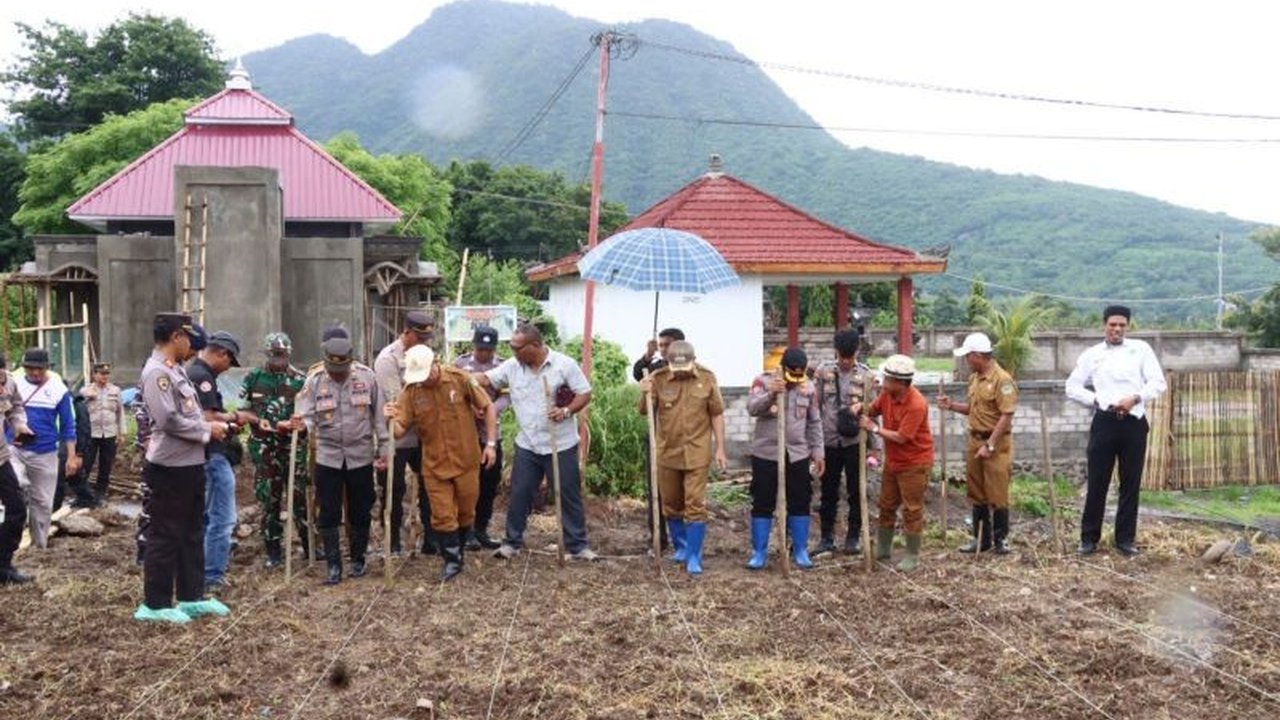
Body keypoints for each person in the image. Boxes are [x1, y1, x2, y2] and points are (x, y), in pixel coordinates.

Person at [136, 313, 230, 623]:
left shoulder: (176, 371)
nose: (191, 344)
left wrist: (214, 422)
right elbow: (169, 420)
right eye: (188, 338)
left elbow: (187, 413)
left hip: (190, 463)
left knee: (191, 532)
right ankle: (156, 603)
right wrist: (207, 431)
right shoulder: (156, 373)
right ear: (176, 337)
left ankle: (191, 596)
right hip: (169, 466)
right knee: (165, 534)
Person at [479, 323, 597, 561]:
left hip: (560, 443)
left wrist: (566, 410)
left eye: (517, 348)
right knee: (520, 493)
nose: (514, 353)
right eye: (512, 347)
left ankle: (577, 545)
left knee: (567, 494)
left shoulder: (564, 365)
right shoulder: (513, 367)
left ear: (535, 345)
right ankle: (511, 542)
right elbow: (487, 380)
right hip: (528, 444)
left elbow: (584, 393)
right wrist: (466, 378)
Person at [387, 345, 496, 580]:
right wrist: (389, 418)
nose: (424, 379)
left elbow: (487, 407)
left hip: (466, 459)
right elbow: (398, 431)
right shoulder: (411, 392)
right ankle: (451, 561)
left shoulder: (460, 379)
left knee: (466, 511)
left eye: (427, 373)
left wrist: (491, 444)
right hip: (435, 465)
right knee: (442, 514)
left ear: (435, 364)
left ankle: (461, 548)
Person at [1066, 305, 1167, 557]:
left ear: (1128, 326)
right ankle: (1089, 538)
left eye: (1122, 325)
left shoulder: (1141, 349)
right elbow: (1072, 386)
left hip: (1133, 422)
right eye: (1113, 324)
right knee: (1097, 481)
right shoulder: (1093, 354)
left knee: (1130, 483)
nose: (1117, 329)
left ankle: (1125, 539)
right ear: (1104, 325)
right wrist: (1097, 400)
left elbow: (1158, 382)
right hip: (1105, 421)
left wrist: (1135, 398)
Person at [294, 336, 388, 585]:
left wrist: (385, 448)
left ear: (350, 362)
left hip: (360, 455)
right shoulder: (314, 380)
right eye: (333, 370)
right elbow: (307, 415)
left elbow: (378, 416)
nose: (337, 375)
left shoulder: (367, 378)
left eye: (342, 370)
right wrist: (301, 424)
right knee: (328, 510)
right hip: (328, 456)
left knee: (360, 508)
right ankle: (334, 565)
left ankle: (358, 559)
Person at [638, 340, 728, 575]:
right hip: (667, 452)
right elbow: (645, 411)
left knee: (695, 505)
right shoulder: (658, 378)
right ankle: (682, 547)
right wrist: (644, 392)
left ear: (693, 361)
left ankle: (694, 556)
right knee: (672, 504)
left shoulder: (707, 378)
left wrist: (720, 448)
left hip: (697, 453)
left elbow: (717, 414)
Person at [745, 347, 824, 570]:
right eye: (792, 373)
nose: (796, 378)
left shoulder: (808, 387)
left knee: (800, 501)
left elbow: (814, 422)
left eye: (800, 373)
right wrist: (770, 393)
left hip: (797, 454)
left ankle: (799, 550)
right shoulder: (762, 381)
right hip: (766, 453)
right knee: (762, 502)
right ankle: (759, 552)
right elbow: (751, 408)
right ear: (783, 367)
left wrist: (818, 452)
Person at [939, 332, 1018, 554]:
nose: (966, 361)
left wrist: (990, 445)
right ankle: (981, 539)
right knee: (977, 492)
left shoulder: (1002, 380)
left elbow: (1006, 415)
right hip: (975, 440)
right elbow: (973, 409)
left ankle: (1001, 540)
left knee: (997, 492)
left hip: (996, 444)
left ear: (977, 356)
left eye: (968, 357)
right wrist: (951, 405)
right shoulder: (974, 379)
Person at [188, 331, 255, 593]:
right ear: (221, 353)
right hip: (212, 456)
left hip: (205, 454)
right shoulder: (201, 377)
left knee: (207, 516)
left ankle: (201, 572)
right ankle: (212, 577)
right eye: (229, 362)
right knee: (223, 518)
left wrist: (229, 423)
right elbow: (206, 417)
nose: (228, 368)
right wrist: (240, 417)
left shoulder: (199, 375)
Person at [854, 354, 934, 572]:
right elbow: (873, 409)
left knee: (912, 509)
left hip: (915, 463)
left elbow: (902, 437)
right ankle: (883, 548)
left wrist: (874, 428)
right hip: (894, 461)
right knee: (886, 504)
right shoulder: (887, 394)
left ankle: (912, 555)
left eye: (887, 378)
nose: (883, 381)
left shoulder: (916, 404)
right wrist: (861, 409)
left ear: (900, 382)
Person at [241, 332, 310, 568]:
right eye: (274, 354)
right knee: (269, 498)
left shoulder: (301, 380)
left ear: (289, 353)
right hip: (264, 448)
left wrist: (300, 424)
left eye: (282, 354)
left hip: (293, 447)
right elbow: (243, 411)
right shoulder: (253, 378)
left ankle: (310, 546)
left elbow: (311, 415)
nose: (278, 358)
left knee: (300, 496)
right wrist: (269, 424)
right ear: (267, 354)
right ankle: (273, 550)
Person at [373, 310, 434, 556]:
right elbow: (396, 402)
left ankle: (432, 539)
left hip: (422, 436)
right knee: (393, 490)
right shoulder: (388, 359)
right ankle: (393, 542)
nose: (423, 342)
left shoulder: (427, 354)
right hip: (394, 436)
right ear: (406, 332)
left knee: (431, 486)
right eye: (419, 337)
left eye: (426, 338)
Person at [10, 348, 80, 549]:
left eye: (39, 369)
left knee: (42, 502)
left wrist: (72, 456)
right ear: (24, 368)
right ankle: (11, 542)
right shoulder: (13, 384)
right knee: (16, 484)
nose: (35, 373)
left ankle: (39, 547)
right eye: (30, 369)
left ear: (47, 368)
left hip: (46, 452)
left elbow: (68, 425)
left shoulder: (59, 390)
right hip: (15, 449)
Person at [812, 329, 873, 556]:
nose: (846, 361)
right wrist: (813, 443)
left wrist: (872, 446)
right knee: (828, 491)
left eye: (850, 356)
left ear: (857, 351)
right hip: (828, 440)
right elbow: (814, 407)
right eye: (842, 356)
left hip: (855, 441)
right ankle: (826, 538)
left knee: (857, 490)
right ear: (836, 351)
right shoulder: (823, 372)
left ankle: (853, 537)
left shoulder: (867, 376)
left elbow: (873, 410)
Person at [454, 326, 509, 550]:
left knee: (488, 485)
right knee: (465, 485)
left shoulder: (504, 366)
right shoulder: (460, 365)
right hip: (466, 435)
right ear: (473, 345)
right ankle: (464, 531)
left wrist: (489, 410)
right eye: (480, 349)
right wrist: (470, 409)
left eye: (488, 349)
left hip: (491, 436)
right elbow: (452, 396)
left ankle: (481, 529)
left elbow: (507, 398)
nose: (484, 353)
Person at [632, 327, 684, 553]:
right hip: (657, 437)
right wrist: (648, 354)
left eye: (667, 345)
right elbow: (638, 373)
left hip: (682, 438)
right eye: (660, 345)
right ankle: (658, 539)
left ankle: (684, 541)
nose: (663, 349)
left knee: (682, 492)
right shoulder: (654, 369)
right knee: (656, 490)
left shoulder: (687, 367)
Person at [0, 353, 37, 583]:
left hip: (1, 458)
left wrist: (20, 425)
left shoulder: (10, 382)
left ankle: (3, 565)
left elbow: (15, 407)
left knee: (16, 509)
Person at [76, 363, 122, 506]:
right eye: (101, 374)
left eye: (107, 374)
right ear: (94, 374)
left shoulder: (115, 390)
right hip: (91, 434)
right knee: (86, 465)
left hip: (109, 433)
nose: (104, 377)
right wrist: (86, 397)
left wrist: (122, 433)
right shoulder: (85, 391)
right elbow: (78, 412)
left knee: (105, 465)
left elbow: (119, 413)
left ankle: (100, 494)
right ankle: (83, 495)